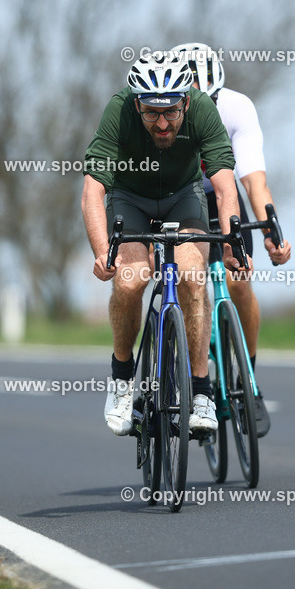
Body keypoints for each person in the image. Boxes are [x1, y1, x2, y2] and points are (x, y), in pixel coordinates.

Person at [82, 52, 247, 436]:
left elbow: (224, 188)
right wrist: (100, 250)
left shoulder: (203, 110)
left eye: (171, 112)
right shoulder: (119, 110)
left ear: (186, 101)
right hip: (130, 198)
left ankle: (202, 391)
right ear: (137, 103)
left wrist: (231, 246)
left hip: (182, 195)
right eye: (152, 113)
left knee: (192, 276)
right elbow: (93, 190)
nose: (161, 123)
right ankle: (122, 379)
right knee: (130, 279)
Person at [171, 43, 293, 435]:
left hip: (222, 195)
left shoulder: (238, 107)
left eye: (210, 101)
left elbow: (254, 181)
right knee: (191, 283)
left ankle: (249, 383)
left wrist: (272, 230)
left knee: (240, 279)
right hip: (179, 197)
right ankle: (191, 371)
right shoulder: (165, 111)